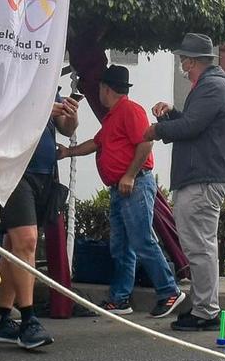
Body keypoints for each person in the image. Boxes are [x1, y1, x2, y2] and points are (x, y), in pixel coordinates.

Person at [58, 66, 185, 319]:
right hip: (120, 187)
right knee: (122, 245)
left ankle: (169, 290)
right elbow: (97, 143)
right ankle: (120, 297)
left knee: (141, 239)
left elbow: (146, 141)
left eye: (100, 89)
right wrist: (68, 152)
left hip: (134, 184)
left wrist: (128, 175)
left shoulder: (129, 110)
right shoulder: (113, 116)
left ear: (106, 89)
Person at [144, 34, 225, 330]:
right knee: (199, 245)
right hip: (205, 176)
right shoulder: (212, 86)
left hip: (204, 178)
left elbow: (192, 126)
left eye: (184, 59)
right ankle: (203, 306)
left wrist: (157, 130)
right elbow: (195, 123)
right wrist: (172, 113)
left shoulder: (212, 87)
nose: (182, 64)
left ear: (194, 61)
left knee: (199, 247)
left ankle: (207, 311)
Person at [0, 93, 78, 349]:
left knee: (14, 246)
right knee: (26, 241)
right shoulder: (12, 75)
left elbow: (66, 129)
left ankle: (1, 318)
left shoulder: (47, 78)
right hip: (11, 169)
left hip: (42, 173)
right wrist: (43, 108)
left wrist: (70, 116)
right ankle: (28, 318)